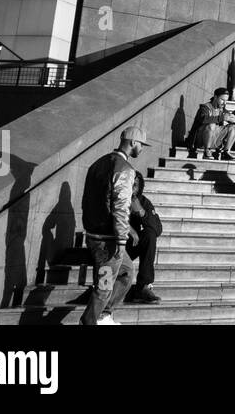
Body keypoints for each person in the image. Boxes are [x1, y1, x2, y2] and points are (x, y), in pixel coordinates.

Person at [80, 127, 146, 325]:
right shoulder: (125, 169)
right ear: (133, 142)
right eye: (141, 144)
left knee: (126, 271)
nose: (141, 148)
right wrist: (121, 239)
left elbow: (86, 199)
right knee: (104, 285)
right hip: (108, 240)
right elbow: (120, 207)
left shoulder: (97, 164)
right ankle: (89, 321)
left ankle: (103, 314)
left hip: (95, 233)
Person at [125, 172, 162, 304]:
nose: (131, 189)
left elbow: (157, 229)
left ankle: (143, 286)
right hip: (112, 245)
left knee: (150, 235)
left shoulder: (143, 201)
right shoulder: (116, 197)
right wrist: (130, 230)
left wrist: (141, 211)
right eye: (129, 185)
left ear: (139, 188)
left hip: (129, 247)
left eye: (134, 186)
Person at [188, 88, 235, 160]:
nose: (224, 103)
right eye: (222, 100)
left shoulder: (222, 109)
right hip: (201, 140)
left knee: (234, 127)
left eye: (226, 101)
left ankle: (226, 152)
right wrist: (221, 118)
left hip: (214, 139)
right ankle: (207, 151)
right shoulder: (205, 107)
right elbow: (203, 119)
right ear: (215, 97)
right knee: (211, 125)